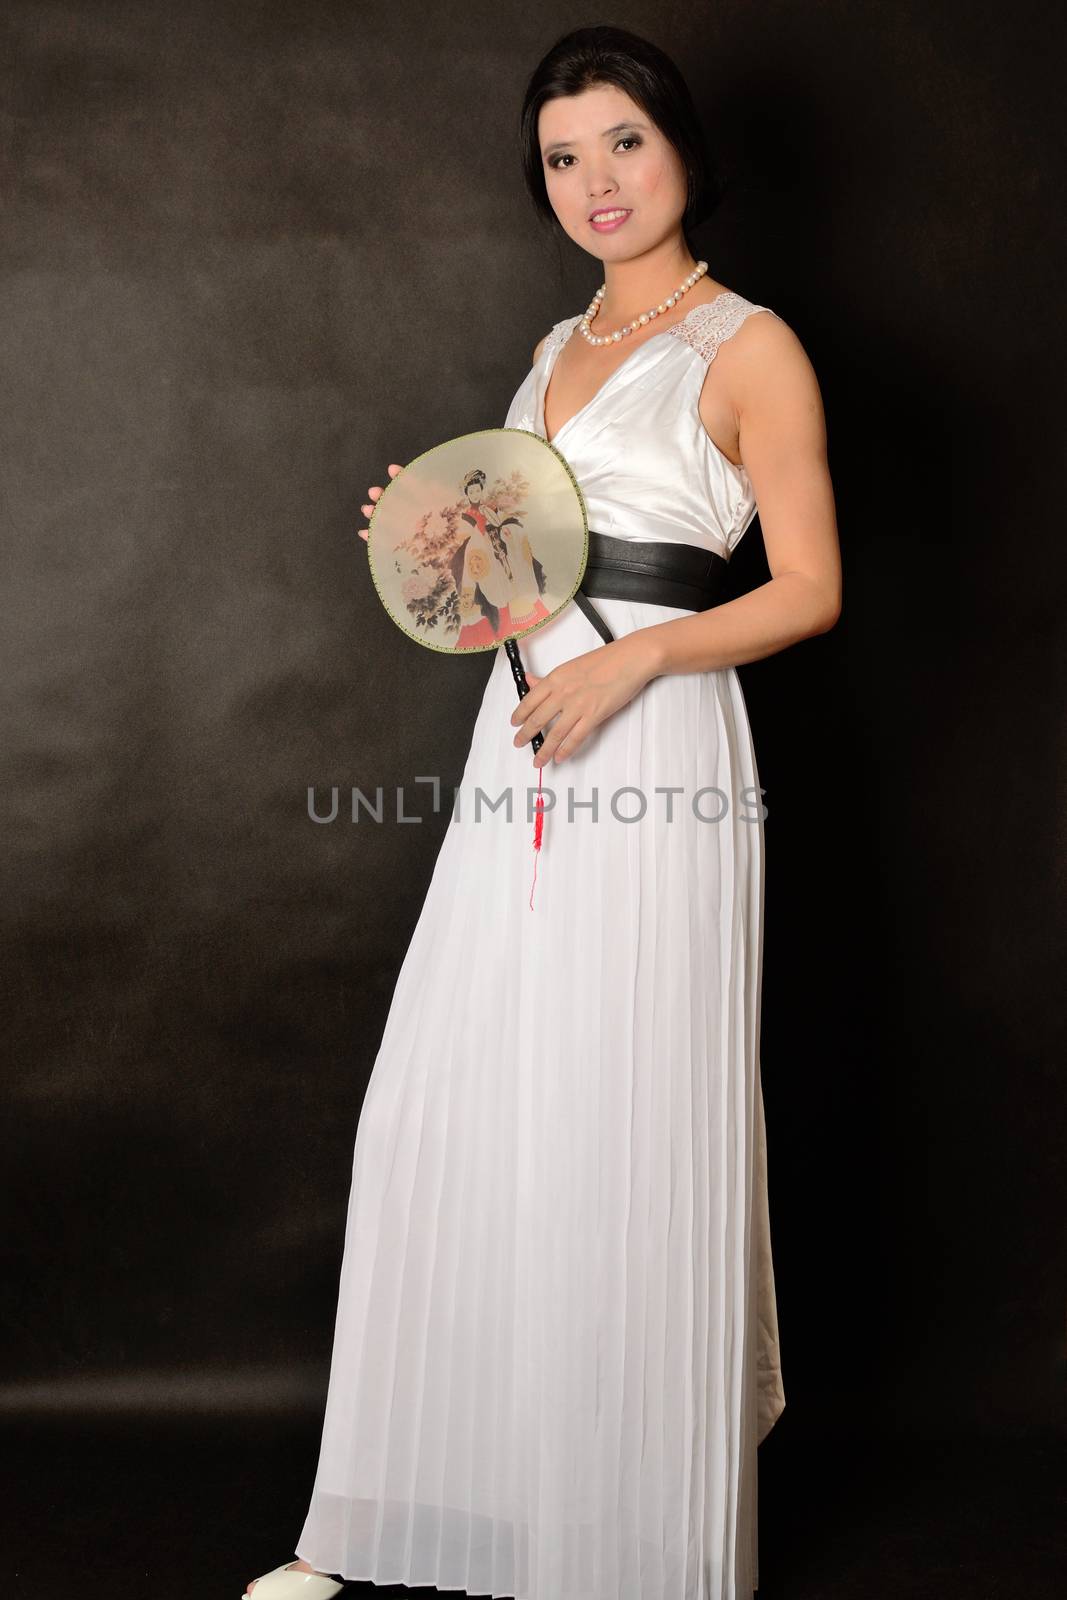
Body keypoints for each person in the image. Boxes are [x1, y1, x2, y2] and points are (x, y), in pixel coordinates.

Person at [244, 22, 840, 1600]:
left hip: (661, 740)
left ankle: (640, 1542)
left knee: (627, 1111)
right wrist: (431, 539)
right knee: (456, 1103)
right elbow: (520, 589)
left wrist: (639, 661)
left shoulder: (750, 348)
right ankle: (384, 1519)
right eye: (565, 156)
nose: (596, 181)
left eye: (624, 144)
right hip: (523, 742)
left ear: (684, 152)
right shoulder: (551, 346)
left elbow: (812, 589)